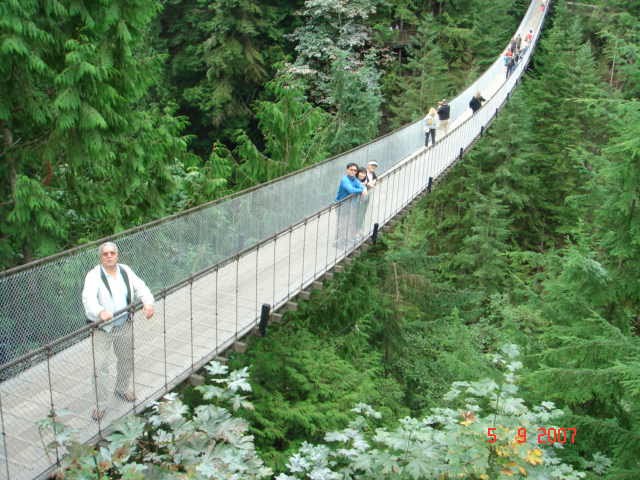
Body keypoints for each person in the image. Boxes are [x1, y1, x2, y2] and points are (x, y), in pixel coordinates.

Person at [82, 241, 154, 421]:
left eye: (112, 253)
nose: (109, 256)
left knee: (126, 358)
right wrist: (100, 311)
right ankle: (100, 405)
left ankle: (121, 389)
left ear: (117, 255)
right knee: (100, 366)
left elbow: (141, 287)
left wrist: (148, 303)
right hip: (103, 329)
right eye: (105, 254)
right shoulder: (93, 276)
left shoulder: (125, 270)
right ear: (101, 257)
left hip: (124, 324)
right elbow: (88, 299)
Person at [335, 163, 367, 248]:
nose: (353, 171)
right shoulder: (345, 180)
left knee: (348, 222)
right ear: (347, 170)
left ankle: (344, 240)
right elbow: (351, 190)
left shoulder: (354, 180)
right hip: (341, 204)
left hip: (349, 205)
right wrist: (362, 190)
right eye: (351, 169)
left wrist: (364, 188)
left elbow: (361, 185)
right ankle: (339, 242)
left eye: (355, 170)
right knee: (342, 223)